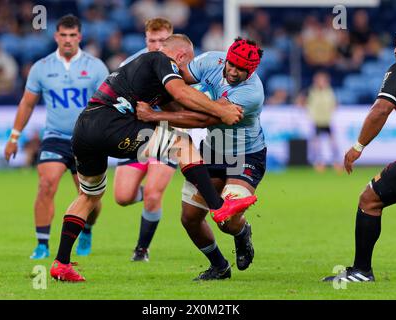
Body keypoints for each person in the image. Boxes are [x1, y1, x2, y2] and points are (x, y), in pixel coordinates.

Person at [49, 34, 258, 282]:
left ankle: (61, 263)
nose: (185, 72)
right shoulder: (161, 59)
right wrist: (221, 109)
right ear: (180, 56)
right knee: (182, 143)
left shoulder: (147, 78)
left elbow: (180, 112)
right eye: (185, 65)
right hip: (113, 125)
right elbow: (181, 93)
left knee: (89, 195)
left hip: (84, 129)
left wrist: (211, 112)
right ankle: (219, 207)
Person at [138, 37, 266, 280]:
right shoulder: (210, 60)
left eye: (241, 69)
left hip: (246, 154)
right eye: (231, 64)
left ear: (251, 72)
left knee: (226, 219)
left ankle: (241, 233)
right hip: (213, 150)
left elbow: (204, 119)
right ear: (226, 58)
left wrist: (154, 116)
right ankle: (219, 266)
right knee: (190, 218)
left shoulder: (251, 93)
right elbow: (179, 82)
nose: (233, 71)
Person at [4, 14, 109, 259]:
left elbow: (108, 105)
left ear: (80, 37)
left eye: (73, 35)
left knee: (89, 196)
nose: (68, 40)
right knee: (46, 184)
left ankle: (87, 229)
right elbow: (27, 104)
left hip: (87, 139)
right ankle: (42, 244)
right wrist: (14, 136)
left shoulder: (96, 67)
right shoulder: (42, 67)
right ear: (56, 36)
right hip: (55, 136)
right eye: (63, 35)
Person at [323, 23, 396, 283]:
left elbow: (380, 110)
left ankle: (362, 271)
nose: (394, 48)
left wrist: (358, 146)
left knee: (370, 200)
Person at [113, 18, 176, 262]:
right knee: (123, 197)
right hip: (137, 134)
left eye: (163, 40)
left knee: (152, 193)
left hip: (168, 133)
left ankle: (141, 249)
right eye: (153, 40)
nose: (158, 45)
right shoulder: (130, 64)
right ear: (145, 39)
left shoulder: (182, 65)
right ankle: (153, 198)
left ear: (171, 38)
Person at [306, 71, 341, 172]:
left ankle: (336, 162)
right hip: (317, 121)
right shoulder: (312, 91)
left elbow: (334, 104)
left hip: (327, 121)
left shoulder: (329, 91)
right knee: (316, 145)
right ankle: (319, 163)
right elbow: (308, 103)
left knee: (333, 143)